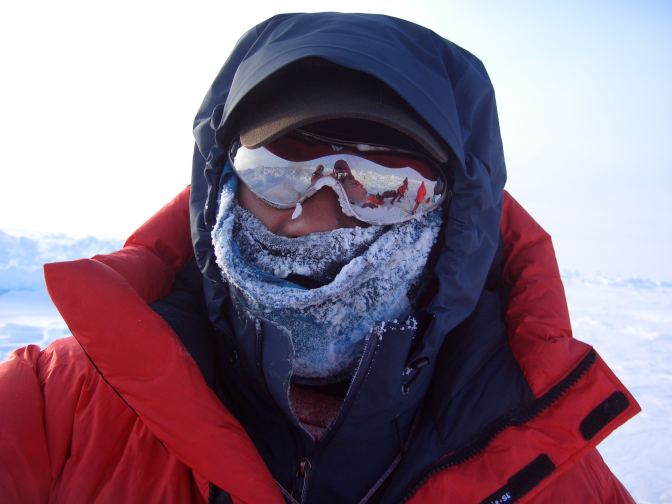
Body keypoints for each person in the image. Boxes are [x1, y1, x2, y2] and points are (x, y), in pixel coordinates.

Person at [0, 12, 639, 504]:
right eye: (279, 173)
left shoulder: (544, 461)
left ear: (450, 220)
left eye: (382, 187)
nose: (313, 218)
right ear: (220, 187)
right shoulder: (53, 409)